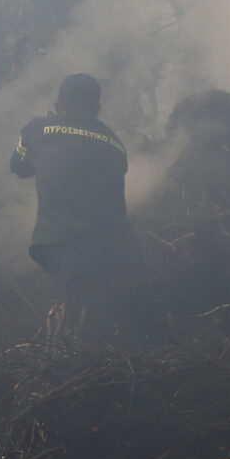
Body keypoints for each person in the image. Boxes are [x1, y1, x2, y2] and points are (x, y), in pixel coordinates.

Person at [11, 73, 165, 344]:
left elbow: (19, 166)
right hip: (120, 245)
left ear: (60, 103)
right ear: (97, 108)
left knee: (80, 330)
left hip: (65, 242)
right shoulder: (115, 142)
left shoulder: (37, 128)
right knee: (126, 323)